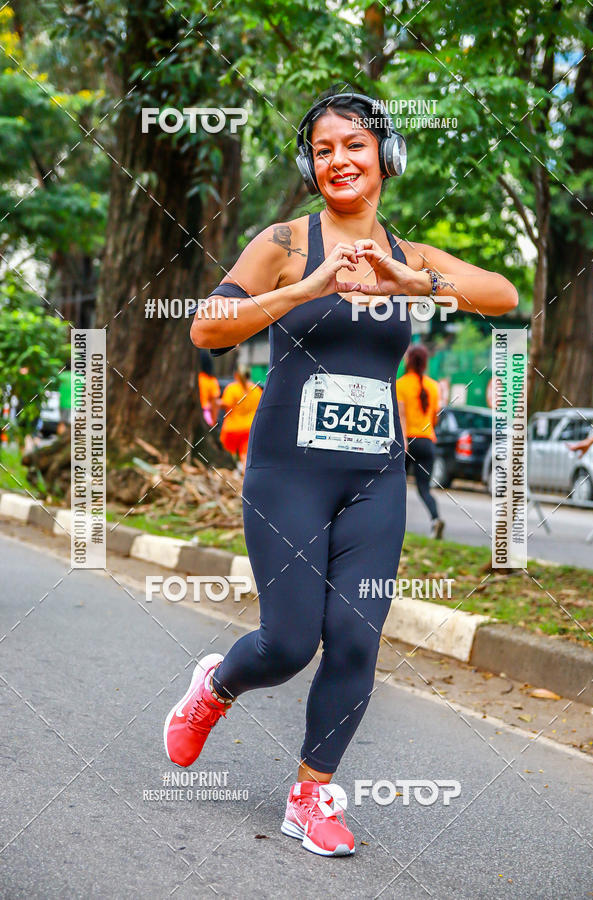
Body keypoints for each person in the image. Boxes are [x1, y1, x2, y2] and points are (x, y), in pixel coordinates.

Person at [164, 85, 518, 857]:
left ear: (385, 156)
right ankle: (216, 686)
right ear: (310, 164)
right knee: (289, 643)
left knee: (356, 640)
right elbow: (205, 329)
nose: (339, 161)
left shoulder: (410, 254)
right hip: (287, 472)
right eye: (324, 150)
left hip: (374, 478)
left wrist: (410, 283)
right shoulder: (285, 242)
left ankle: (312, 794)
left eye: (354, 145)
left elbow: (504, 293)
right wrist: (306, 286)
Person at [396, 344, 445, 538]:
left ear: (408, 361)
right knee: (424, 488)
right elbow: (435, 418)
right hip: (427, 442)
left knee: (397, 486)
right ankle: (435, 519)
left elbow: (401, 416)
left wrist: (403, 440)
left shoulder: (401, 384)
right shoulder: (434, 386)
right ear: (425, 363)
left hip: (408, 441)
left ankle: (394, 524)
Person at [218, 366, 262, 472]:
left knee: (228, 455)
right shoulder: (256, 389)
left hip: (232, 428)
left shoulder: (232, 388)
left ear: (236, 375)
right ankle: (243, 474)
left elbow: (225, 403)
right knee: (245, 455)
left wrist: (215, 402)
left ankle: (232, 473)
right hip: (249, 428)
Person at [197, 349, 221, 428]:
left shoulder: (196, 378)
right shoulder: (211, 380)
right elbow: (214, 402)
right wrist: (214, 421)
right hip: (205, 414)